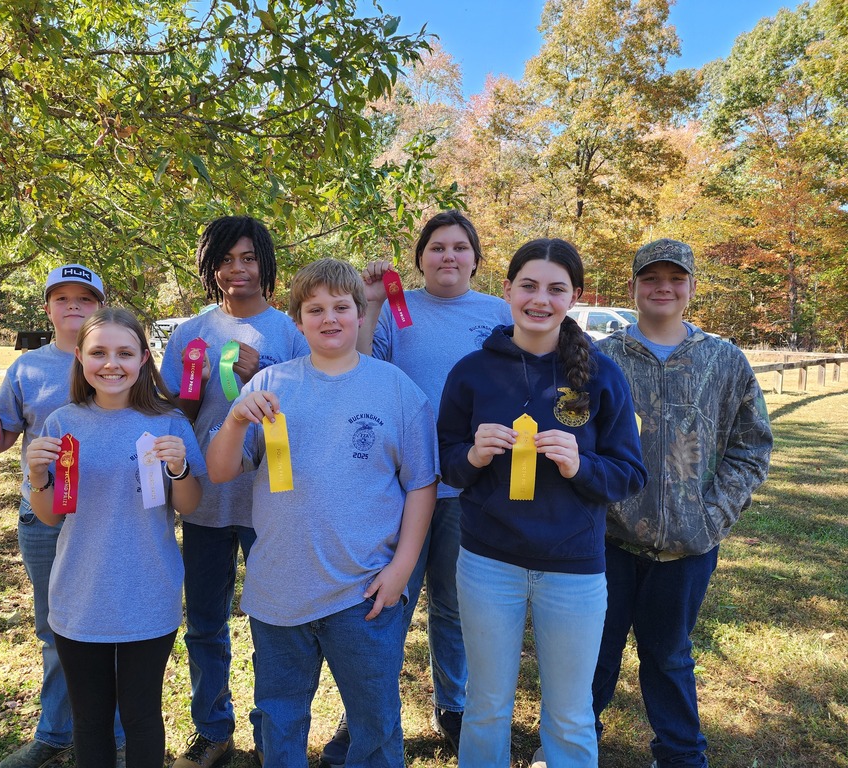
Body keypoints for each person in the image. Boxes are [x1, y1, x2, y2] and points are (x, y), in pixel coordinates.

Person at [206, 257, 438, 768]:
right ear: (297, 320)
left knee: (374, 723)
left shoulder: (396, 389)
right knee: (279, 717)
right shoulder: (270, 385)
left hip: (364, 592)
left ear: (360, 313)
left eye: (341, 307)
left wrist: (400, 569)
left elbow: (422, 485)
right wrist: (233, 422)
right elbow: (221, 472)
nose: (329, 318)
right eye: (315, 309)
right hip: (279, 592)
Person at [438, 238, 647, 768]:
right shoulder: (470, 372)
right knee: (485, 706)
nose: (540, 299)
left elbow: (629, 474)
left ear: (574, 296)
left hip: (573, 568)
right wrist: (475, 455)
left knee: (570, 711)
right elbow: (447, 465)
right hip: (488, 563)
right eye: (528, 286)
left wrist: (582, 466)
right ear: (506, 289)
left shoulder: (600, 374)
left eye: (556, 289)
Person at [316, 210, 511, 763]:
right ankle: (364, 718)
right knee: (383, 604)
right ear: (419, 257)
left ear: (475, 258)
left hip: (469, 487)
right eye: (436, 248)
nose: (448, 257)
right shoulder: (396, 310)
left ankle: (454, 706)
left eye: (459, 248)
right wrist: (373, 297)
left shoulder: (497, 314)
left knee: (453, 606)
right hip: (396, 487)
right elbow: (358, 361)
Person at [591, 239, 772, 768]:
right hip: (608, 542)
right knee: (593, 654)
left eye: (675, 278)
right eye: (651, 278)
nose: (662, 288)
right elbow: (577, 436)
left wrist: (713, 515)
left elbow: (752, 443)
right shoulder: (604, 358)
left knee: (668, 656)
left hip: (687, 549)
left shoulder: (723, 359)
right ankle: (571, 744)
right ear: (633, 287)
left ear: (691, 288)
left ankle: (680, 754)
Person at [0, 264, 128, 768]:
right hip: (45, 516)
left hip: (111, 520)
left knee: (111, 627)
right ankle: (54, 735)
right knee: (54, 629)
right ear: (49, 307)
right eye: (62, 298)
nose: (74, 306)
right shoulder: (28, 369)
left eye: (86, 298)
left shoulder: (120, 358)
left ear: (101, 306)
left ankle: (114, 739)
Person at [25, 307, 204, 768]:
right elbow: (49, 517)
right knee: (91, 719)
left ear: (144, 358)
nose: (111, 364)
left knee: (142, 714)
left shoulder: (168, 422)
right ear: (80, 359)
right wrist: (38, 476)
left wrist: (180, 468)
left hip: (149, 591)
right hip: (80, 595)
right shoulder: (62, 423)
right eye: (98, 352)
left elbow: (189, 505)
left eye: (124, 353)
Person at [160, 216, 309, 767]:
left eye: (248, 258)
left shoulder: (290, 334)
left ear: (264, 264)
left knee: (274, 621)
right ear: (209, 267)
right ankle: (213, 728)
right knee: (204, 620)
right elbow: (180, 414)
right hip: (204, 499)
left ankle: (273, 731)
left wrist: (259, 374)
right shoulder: (188, 333)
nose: (236, 270)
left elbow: (304, 413)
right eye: (225, 260)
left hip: (270, 500)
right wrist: (193, 390)